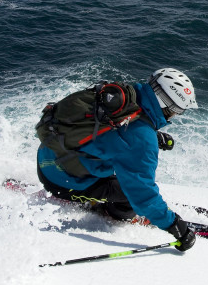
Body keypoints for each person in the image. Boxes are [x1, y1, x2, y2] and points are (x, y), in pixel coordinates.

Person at [36, 68, 199, 252]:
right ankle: (110, 212)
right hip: (63, 182)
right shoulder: (142, 141)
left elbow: (112, 134)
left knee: (123, 172)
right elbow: (143, 196)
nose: (176, 115)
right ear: (167, 106)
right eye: (178, 110)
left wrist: (153, 135)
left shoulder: (124, 97)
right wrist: (177, 228)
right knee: (128, 197)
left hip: (48, 155)